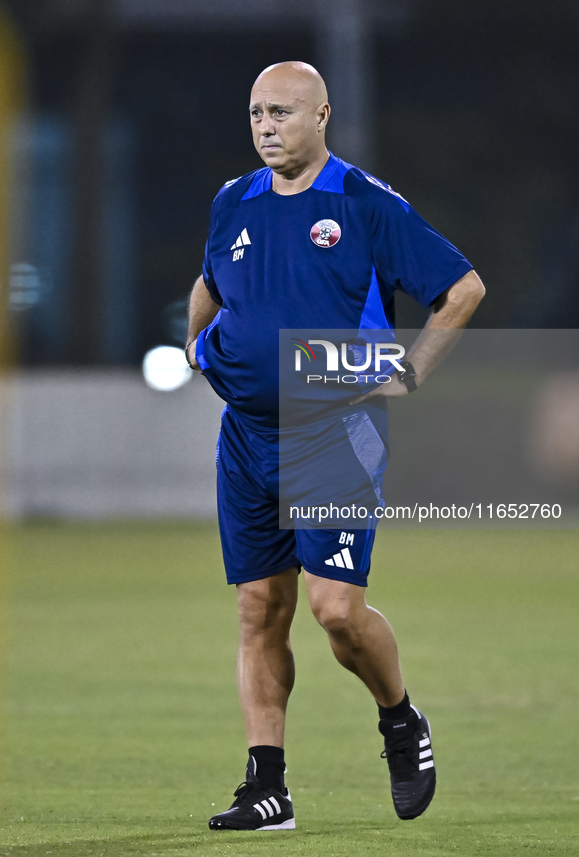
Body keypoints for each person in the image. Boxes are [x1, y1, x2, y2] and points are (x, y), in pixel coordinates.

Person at [185, 61, 485, 831]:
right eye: (255, 112)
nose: (265, 126)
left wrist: (409, 374)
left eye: (281, 111)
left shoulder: (361, 202)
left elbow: (462, 289)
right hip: (247, 436)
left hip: (331, 433)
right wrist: (196, 346)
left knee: (335, 611)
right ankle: (266, 788)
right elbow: (209, 286)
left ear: (322, 114)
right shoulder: (232, 201)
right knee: (259, 608)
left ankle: (399, 717)